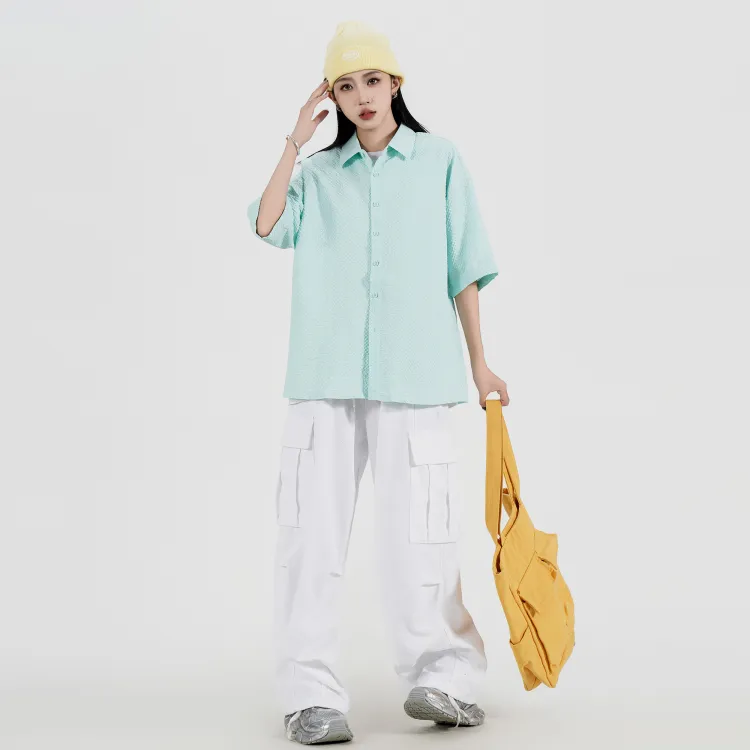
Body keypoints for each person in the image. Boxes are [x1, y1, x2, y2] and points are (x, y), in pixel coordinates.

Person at [246, 20, 510, 745]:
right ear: (331, 97)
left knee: (422, 538)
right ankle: (308, 695)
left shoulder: (440, 161)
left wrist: (480, 363)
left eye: (371, 80)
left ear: (395, 83)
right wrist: (294, 141)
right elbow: (267, 225)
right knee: (308, 539)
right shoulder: (316, 175)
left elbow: (464, 266)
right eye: (344, 85)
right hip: (323, 379)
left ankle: (446, 678)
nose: (361, 96)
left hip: (415, 376)